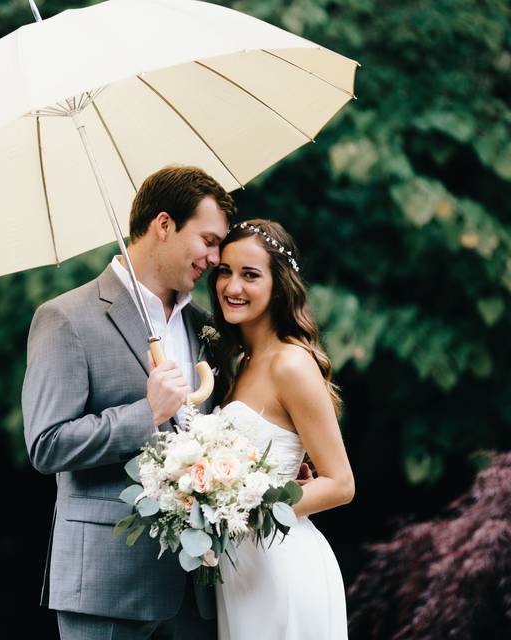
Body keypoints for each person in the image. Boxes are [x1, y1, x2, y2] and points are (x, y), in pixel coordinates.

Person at [22, 165, 236, 640]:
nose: (216, 258)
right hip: (107, 584)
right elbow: (47, 444)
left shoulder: (204, 324)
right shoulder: (65, 318)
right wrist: (148, 413)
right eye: (208, 240)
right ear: (164, 225)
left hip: (195, 589)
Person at [208, 219, 355, 640]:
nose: (232, 286)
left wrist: (248, 511)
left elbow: (341, 483)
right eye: (225, 271)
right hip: (240, 575)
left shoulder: (290, 363)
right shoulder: (239, 362)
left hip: (284, 566)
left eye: (250, 275)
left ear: (279, 283)